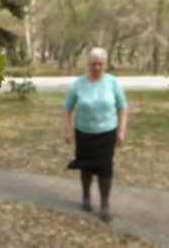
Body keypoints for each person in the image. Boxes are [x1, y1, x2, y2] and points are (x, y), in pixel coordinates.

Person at [63, 47, 128, 223]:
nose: (97, 67)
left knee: (105, 168)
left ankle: (105, 204)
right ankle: (85, 197)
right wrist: (68, 129)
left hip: (107, 132)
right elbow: (67, 107)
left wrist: (121, 130)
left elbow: (122, 108)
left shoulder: (113, 83)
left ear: (105, 64)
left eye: (100, 64)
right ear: (88, 64)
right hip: (84, 132)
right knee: (86, 166)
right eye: (93, 64)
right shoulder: (79, 84)